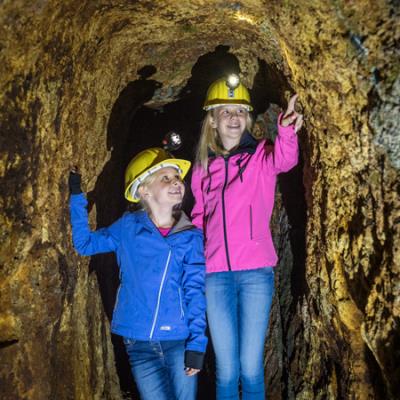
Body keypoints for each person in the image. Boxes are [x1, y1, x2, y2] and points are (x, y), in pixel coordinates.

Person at [190, 75, 303, 399]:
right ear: (212, 120)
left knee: (251, 367)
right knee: (227, 371)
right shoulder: (202, 168)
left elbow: (286, 159)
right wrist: (194, 260)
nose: (234, 117)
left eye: (240, 110)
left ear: (248, 118)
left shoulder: (261, 157)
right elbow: (198, 218)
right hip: (215, 275)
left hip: (255, 273)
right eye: (225, 111)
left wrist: (285, 130)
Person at [69, 147, 208, 400]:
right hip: (138, 342)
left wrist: (197, 344)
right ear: (143, 190)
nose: (176, 182)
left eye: (177, 177)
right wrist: (77, 196)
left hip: (178, 339)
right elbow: (85, 244)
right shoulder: (128, 227)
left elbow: (195, 290)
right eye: (165, 178)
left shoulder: (190, 236)